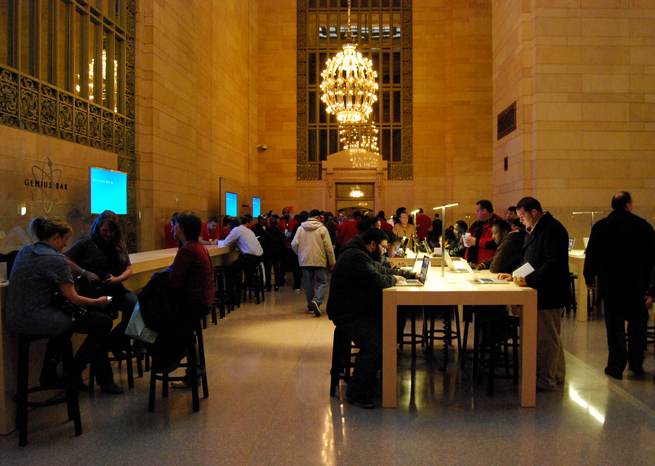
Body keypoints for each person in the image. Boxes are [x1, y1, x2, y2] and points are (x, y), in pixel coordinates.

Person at [5, 216, 112, 390]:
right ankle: (73, 372)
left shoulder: (25, 251)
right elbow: (74, 298)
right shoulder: (56, 260)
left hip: (15, 318)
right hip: (39, 320)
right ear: (56, 237)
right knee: (102, 323)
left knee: (64, 325)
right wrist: (98, 302)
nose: (64, 245)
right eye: (64, 239)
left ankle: (50, 373)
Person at [326, 228, 416, 409]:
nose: (384, 251)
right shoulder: (356, 256)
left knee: (394, 323)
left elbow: (380, 269)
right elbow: (378, 280)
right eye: (383, 247)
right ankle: (357, 392)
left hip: (356, 308)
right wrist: (396, 280)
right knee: (376, 341)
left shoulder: (361, 253)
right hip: (347, 313)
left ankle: (372, 374)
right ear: (373, 244)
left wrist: (410, 275)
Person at [498, 197, 569, 391]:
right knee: (550, 336)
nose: (520, 220)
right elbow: (528, 261)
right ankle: (557, 375)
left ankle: (546, 381)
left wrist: (528, 280)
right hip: (539, 288)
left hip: (549, 291)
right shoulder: (534, 229)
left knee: (547, 339)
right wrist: (514, 275)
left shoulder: (553, 229)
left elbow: (552, 264)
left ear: (534, 213)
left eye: (522, 216)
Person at [65, 210, 138, 394]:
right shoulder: (87, 243)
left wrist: (117, 279)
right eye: (104, 230)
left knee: (136, 308)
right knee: (101, 325)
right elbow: (65, 259)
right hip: (94, 294)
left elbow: (129, 268)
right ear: (98, 227)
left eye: (110, 232)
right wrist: (85, 273)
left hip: (114, 289)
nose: (106, 234)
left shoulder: (119, 245)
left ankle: (115, 342)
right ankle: (105, 379)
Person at [583, 191, 655, 379]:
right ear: (628, 205)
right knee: (637, 324)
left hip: (611, 285)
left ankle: (616, 366)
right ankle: (636, 363)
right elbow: (652, 257)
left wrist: (589, 278)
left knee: (614, 326)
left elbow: (591, 255)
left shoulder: (601, 226)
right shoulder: (642, 226)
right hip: (636, 285)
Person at [165, 211, 215, 387]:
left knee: (161, 318)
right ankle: (190, 366)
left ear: (183, 228)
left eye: (175, 225)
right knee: (182, 329)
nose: (172, 228)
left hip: (194, 303)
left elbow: (174, 282)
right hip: (203, 300)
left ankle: (168, 361)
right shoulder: (196, 247)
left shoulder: (187, 250)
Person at [291, 209, 336, 317]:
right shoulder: (322, 229)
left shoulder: (301, 228)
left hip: (305, 260)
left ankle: (311, 306)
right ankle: (317, 300)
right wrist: (332, 261)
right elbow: (328, 247)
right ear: (317, 217)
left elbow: (294, 244)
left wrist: (300, 254)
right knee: (322, 282)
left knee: (308, 284)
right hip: (319, 260)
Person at [217, 217, 264, 306]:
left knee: (230, 272)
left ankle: (232, 298)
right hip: (259, 258)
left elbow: (226, 242)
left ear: (231, 228)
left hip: (249, 258)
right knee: (237, 269)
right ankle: (241, 291)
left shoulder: (236, 230)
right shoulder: (247, 230)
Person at [464, 200, 501, 264]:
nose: (476, 213)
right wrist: (464, 239)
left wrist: (477, 241)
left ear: (484, 211)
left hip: (486, 263)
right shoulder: (476, 224)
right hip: (472, 262)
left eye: (478, 211)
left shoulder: (497, 224)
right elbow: (467, 233)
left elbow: (496, 242)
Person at [264, 215, 286, 291]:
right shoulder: (279, 233)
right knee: (276, 269)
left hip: (268, 254)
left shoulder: (266, 233)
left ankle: (268, 285)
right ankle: (277, 284)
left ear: (269, 223)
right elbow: (282, 244)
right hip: (277, 254)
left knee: (268, 270)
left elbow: (264, 244)